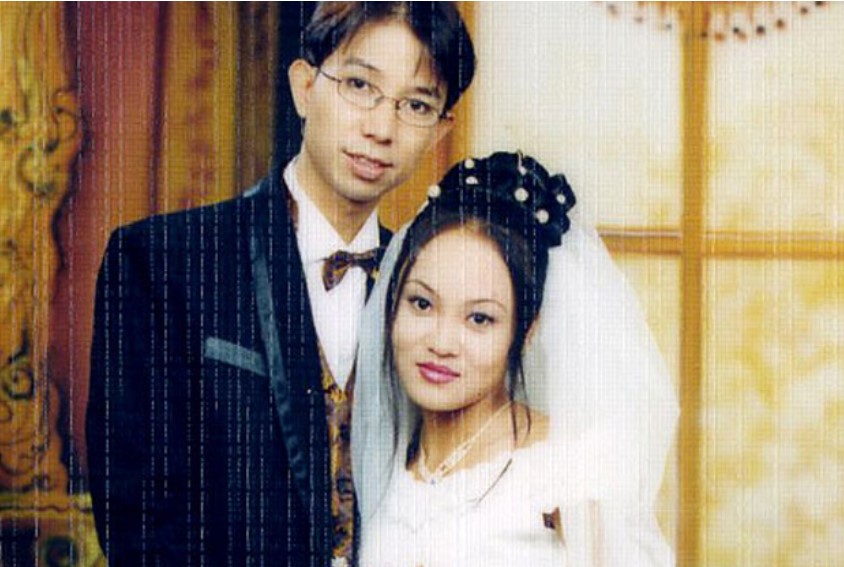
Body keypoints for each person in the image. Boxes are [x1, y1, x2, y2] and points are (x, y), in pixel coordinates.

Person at [85, 3, 475, 566]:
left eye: (415, 105)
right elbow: (139, 524)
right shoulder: (162, 261)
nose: (381, 128)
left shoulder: (430, 289)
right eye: (360, 85)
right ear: (304, 87)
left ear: (441, 130)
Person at [352, 152, 680, 566]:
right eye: (422, 303)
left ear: (525, 332)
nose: (441, 342)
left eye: (479, 318)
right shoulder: (382, 460)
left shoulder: (568, 466)